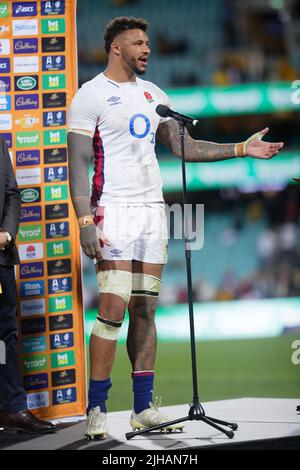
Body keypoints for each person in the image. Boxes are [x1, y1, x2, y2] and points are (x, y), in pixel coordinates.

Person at [67, 16, 284, 440]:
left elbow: (185, 146)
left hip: (152, 213)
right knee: (112, 311)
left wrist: (242, 148)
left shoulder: (154, 95)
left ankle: (143, 408)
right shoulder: (89, 96)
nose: (147, 49)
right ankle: (96, 408)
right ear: (116, 48)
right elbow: (77, 162)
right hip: (113, 211)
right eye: (138, 43)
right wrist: (84, 219)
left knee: (145, 310)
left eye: (148, 42)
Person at [0, 137, 57, 434]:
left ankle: (12, 409)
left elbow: (12, 193)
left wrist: (7, 234)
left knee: (4, 336)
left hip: (0, 258)